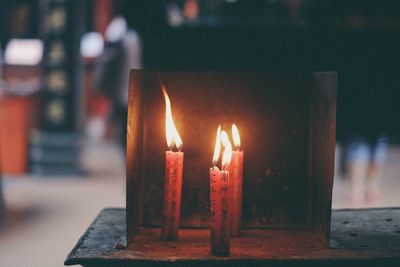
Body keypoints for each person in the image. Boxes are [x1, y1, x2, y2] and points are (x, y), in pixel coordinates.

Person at [94, 16, 142, 151]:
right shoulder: (131, 37)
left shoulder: (122, 35)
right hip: (126, 89)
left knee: (124, 124)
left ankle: (126, 150)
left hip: (125, 89)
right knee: (125, 123)